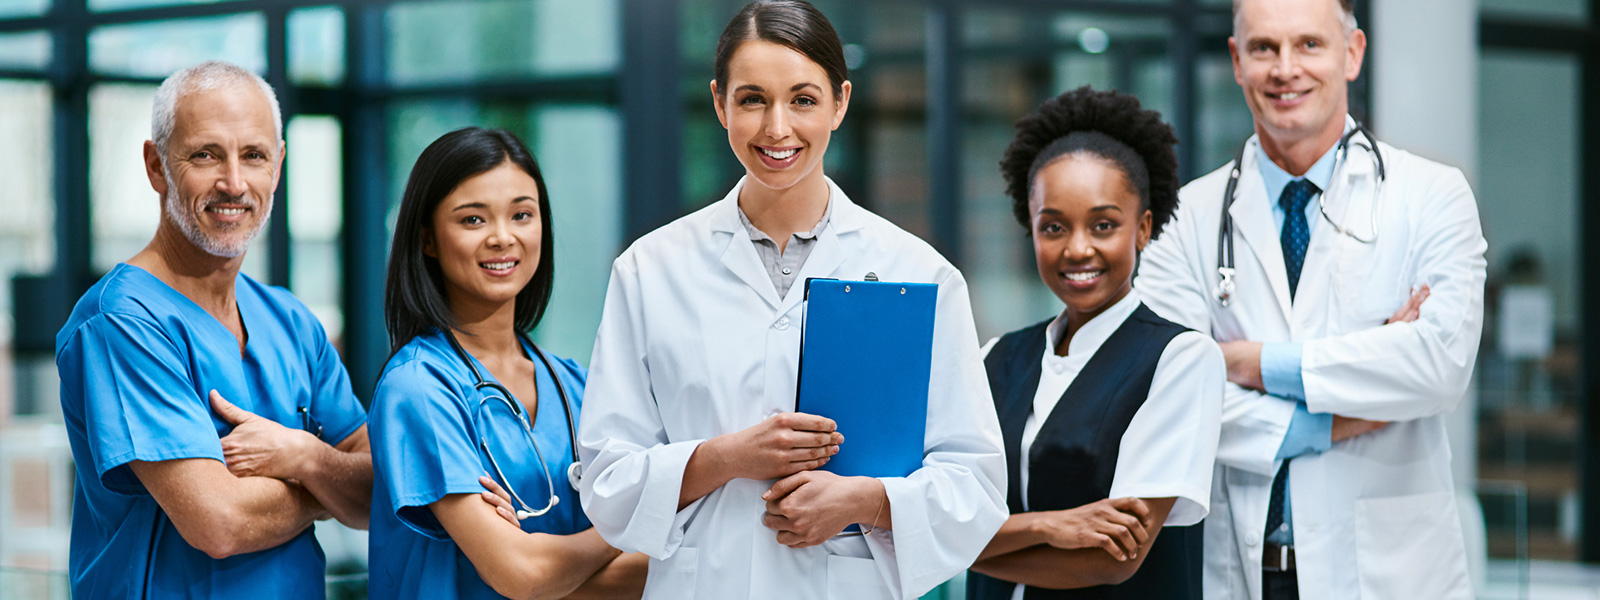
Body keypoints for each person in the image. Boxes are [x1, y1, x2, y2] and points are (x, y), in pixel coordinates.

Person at [576, 1, 1007, 598]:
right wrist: (727, 457)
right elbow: (606, 482)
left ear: (840, 103)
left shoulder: (919, 273)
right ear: (720, 103)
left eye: (803, 99)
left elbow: (976, 488)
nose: (777, 128)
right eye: (752, 99)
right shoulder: (650, 270)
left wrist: (868, 500)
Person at [1134, 0, 1487, 597]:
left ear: (1351, 54)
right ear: (1236, 61)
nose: (1285, 68)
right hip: (1240, 570)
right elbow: (1167, 396)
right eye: (1264, 48)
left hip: (1388, 576)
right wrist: (1349, 412)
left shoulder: (1432, 197)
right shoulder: (1185, 219)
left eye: (1309, 45)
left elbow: (1437, 369)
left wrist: (1246, 362)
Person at [54, 60, 372, 598]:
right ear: (157, 167)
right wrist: (327, 484)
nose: (233, 183)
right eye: (205, 155)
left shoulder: (290, 320)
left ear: (277, 168)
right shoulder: (122, 323)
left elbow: (375, 494)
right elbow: (219, 524)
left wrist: (304, 456)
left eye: (254, 156)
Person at [965, 87, 1223, 600]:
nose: (1077, 248)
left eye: (1103, 225)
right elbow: (933, 512)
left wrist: (953, 546)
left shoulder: (1179, 360)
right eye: (1053, 227)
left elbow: (1111, 559)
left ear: (1143, 228)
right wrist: (1049, 528)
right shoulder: (996, 358)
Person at [366, 127, 645, 599]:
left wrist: (538, 564)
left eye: (521, 214)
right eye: (473, 220)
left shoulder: (575, 384)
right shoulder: (418, 389)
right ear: (428, 240)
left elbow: (655, 569)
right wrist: (632, 521)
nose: (502, 237)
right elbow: (521, 573)